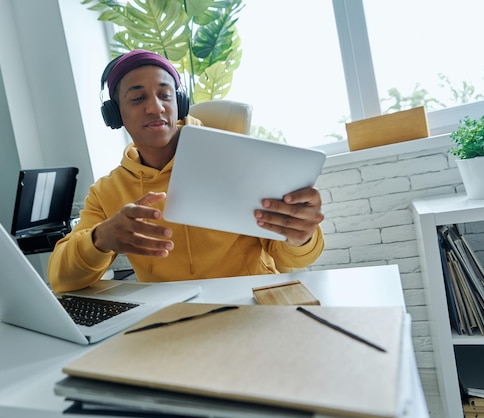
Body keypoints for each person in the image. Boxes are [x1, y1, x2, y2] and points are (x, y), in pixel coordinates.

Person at [48, 49, 324, 293]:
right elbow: (61, 279)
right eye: (137, 98)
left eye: (165, 95)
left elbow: (292, 259)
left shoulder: (235, 159)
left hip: (251, 303)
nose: (155, 108)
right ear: (115, 114)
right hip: (175, 318)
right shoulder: (107, 191)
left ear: (179, 103)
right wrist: (101, 239)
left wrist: (301, 238)